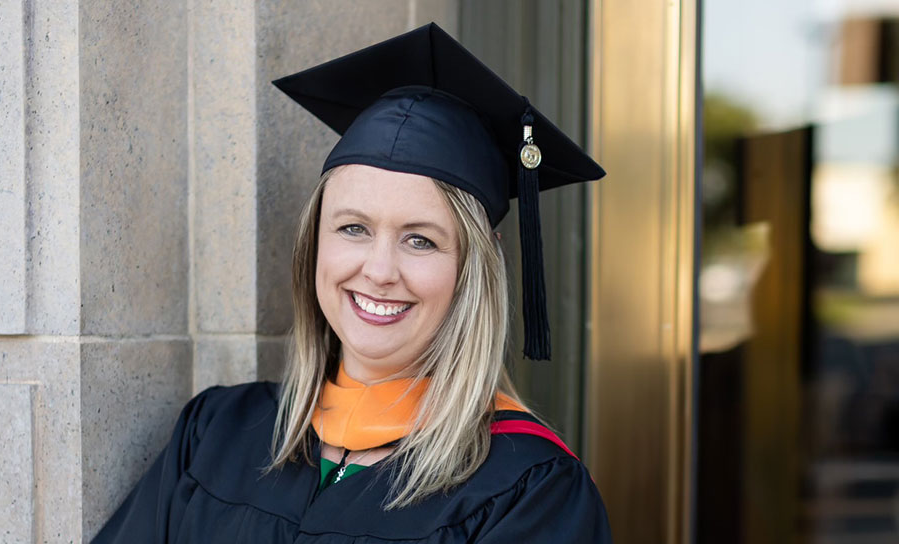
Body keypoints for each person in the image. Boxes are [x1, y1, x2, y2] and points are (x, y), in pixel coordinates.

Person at [93, 23, 610, 543]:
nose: (380, 271)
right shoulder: (215, 434)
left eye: (420, 240)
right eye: (354, 228)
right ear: (314, 244)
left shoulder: (530, 490)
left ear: (473, 271)